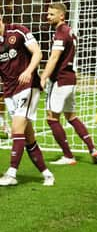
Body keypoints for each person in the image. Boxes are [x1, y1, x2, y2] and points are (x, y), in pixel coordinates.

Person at [40, 2, 97, 165]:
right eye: (48, 14)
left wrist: (43, 76)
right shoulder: (70, 32)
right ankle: (92, 149)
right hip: (70, 79)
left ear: (62, 15)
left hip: (60, 80)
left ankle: (68, 156)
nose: (48, 17)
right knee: (71, 116)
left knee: (51, 118)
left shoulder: (61, 32)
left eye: (51, 14)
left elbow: (54, 57)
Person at [0, 12, 55, 186]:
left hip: (28, 86)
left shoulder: (18, 31)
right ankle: (47, 174)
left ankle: (11, 173)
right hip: (9, 92)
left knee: (17, 128)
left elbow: (37, 53)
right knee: (28, 137)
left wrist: (28, 71)